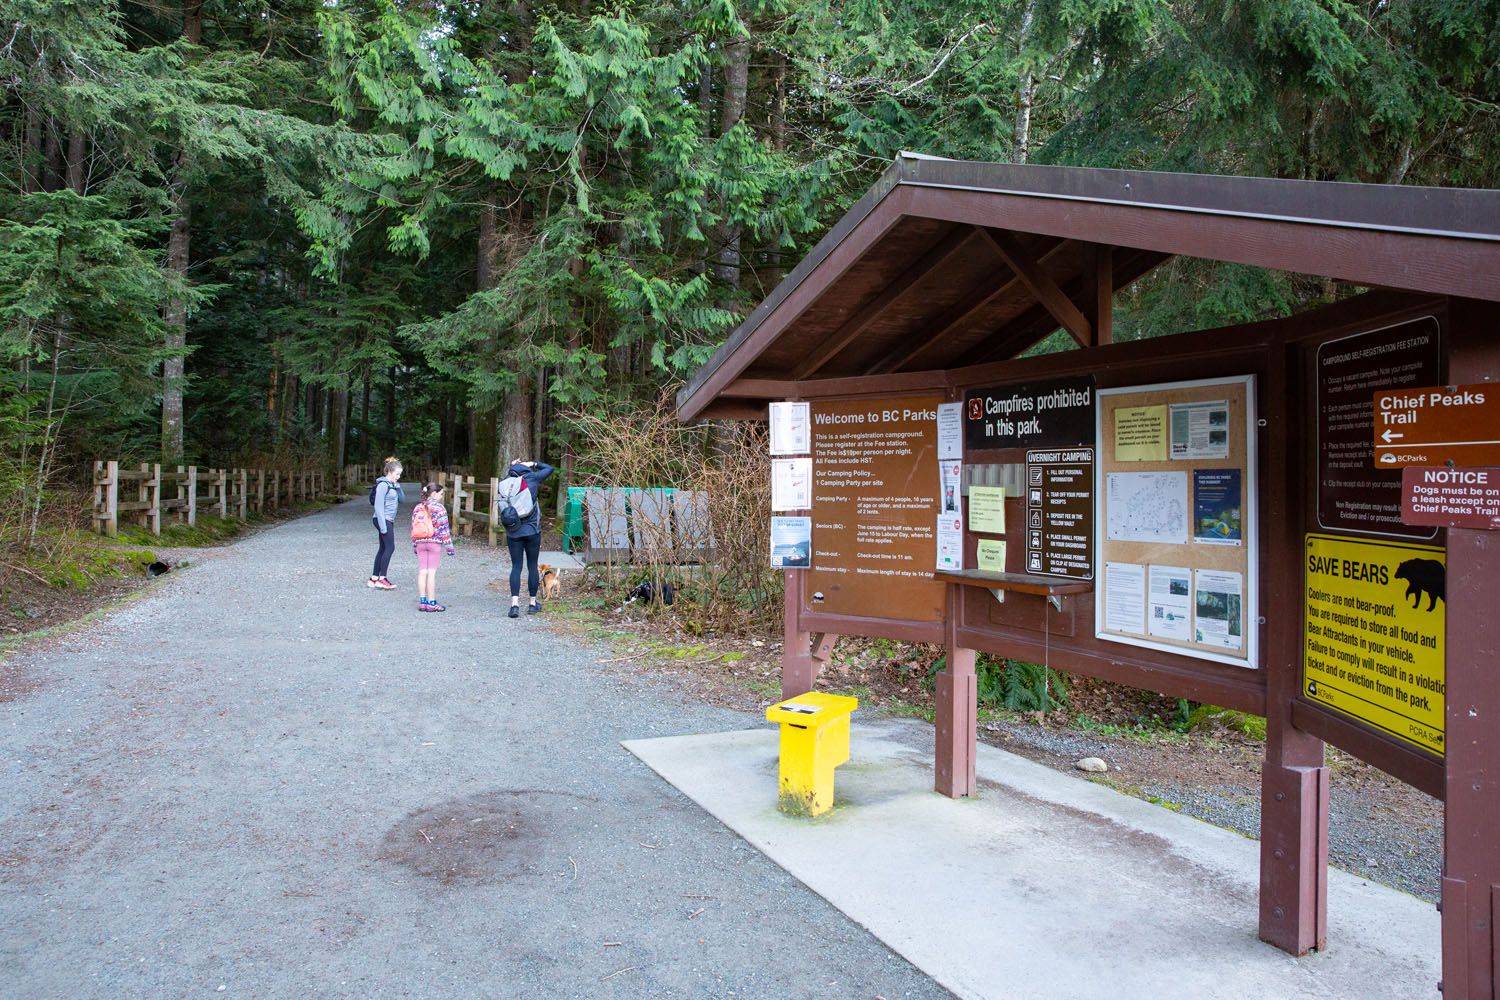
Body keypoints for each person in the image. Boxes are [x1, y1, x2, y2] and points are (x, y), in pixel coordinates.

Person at [499, 457, 554, 618]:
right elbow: (549, 468)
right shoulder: (532, 478)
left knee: (516, 566)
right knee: (532, 565)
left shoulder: (506, 482)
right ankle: (532, 603)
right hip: (532, 531)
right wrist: (534, 464)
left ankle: (514, 605)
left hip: (513, 531)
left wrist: (513, 466)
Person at [412, 482, 456, 612]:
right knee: (431, 573)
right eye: (441, 494)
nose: (442, 497)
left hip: (420, 542)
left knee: (422, 572)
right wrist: (449, 547)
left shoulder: (418, 507)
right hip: (434, 543)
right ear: (434, 494)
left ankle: (422, 601)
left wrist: (415, 545)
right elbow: (444, 529)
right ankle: (432, 603)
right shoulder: (439, 508)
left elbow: (414, 527)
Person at [368, 457, 403, 590]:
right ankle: (383, 578)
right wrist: (383, 527)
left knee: (383, 548)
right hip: (382, 519)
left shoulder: (392, 485)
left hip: (388, 519)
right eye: (397, 474)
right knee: (390, 547)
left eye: (400, 474)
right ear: (389, 472)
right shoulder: (382, 485)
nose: (398, 477)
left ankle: (374, 578)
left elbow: (402, 499)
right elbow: (378, 507)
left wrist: (398, 487)